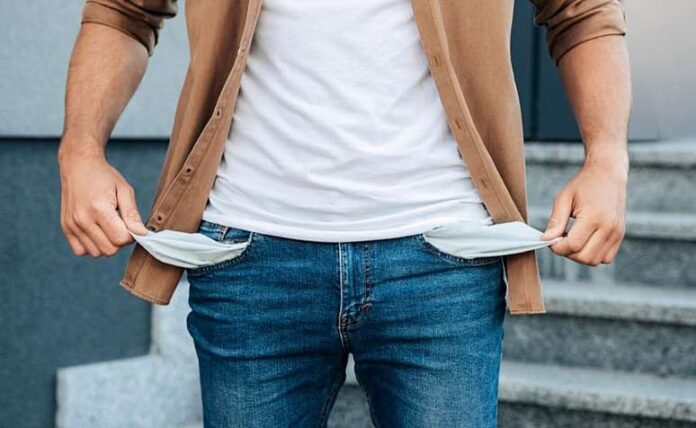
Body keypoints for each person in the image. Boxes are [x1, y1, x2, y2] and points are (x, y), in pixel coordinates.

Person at [58, 0, 630, 426]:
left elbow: (583, 13)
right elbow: (123, 12)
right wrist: (80, 151)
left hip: (443, 263)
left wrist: (607, 160)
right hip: (249, 262)